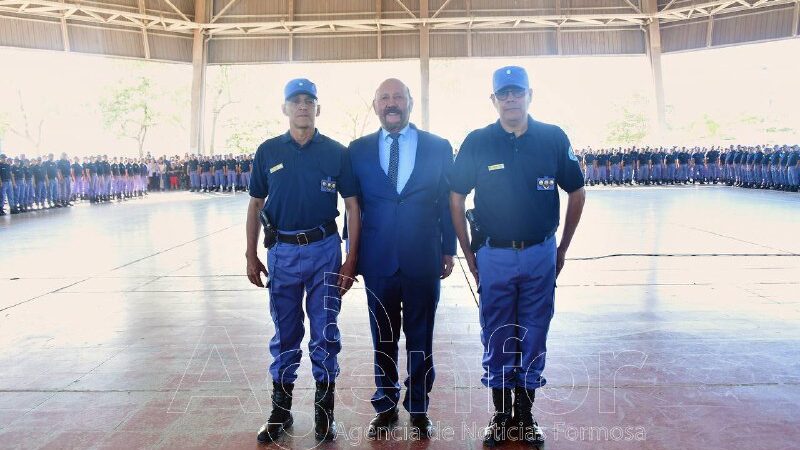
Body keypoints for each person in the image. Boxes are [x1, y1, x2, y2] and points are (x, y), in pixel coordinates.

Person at [449, 66, 586, 447]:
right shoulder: (477, 141)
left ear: (530, 95)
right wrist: (467, 251)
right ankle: (500, 413)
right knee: (496, 333)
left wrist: (562, 249)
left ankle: (525, 414)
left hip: (541, 251)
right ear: (493, 100)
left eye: (517, 92)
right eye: (503, 94)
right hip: (494, 253)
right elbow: (456, 197)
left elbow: (577, 191)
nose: (511, 99)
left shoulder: (553, 138)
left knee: (534, 332)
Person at [245, 78, 361, 443]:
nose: (302, 107)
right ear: (285, 108)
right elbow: (255, 203)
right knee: (286, 332)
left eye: (309, 101)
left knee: (325, 331)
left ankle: (324, 414)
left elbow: (354, 207)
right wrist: (250, 252)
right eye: (295, 101)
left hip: (325, 249)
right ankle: (280, 412)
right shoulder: (267, 151)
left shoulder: (337, 152)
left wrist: (351, 259)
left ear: (317, 108)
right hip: (281, 252)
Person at [346, 78, 456, 439]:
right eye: (384, 98)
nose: (391, 103)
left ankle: (420, 407)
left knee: (421, 336)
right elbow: (353, 207)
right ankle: (386, 404)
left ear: (409, 103)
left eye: (398, 97)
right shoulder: (358, 150)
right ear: (375, 106)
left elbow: (448, 202)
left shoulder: (438, 147)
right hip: (378, 262)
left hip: (423, 257)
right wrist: (354, 257)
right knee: (383, 336)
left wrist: (448, 249)